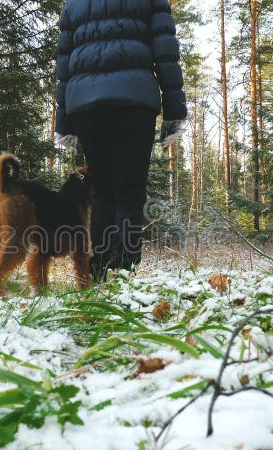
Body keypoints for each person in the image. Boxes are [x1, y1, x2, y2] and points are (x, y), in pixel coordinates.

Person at [54, 0, 187, 281]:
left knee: (102, 191)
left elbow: (64, 61)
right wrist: (174, 112)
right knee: (129, 193)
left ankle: (100, 273)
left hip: (85, 102)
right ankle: (124, 274)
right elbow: (165, 50)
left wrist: (63, 120)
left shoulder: (73, 3)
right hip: (134, 99)